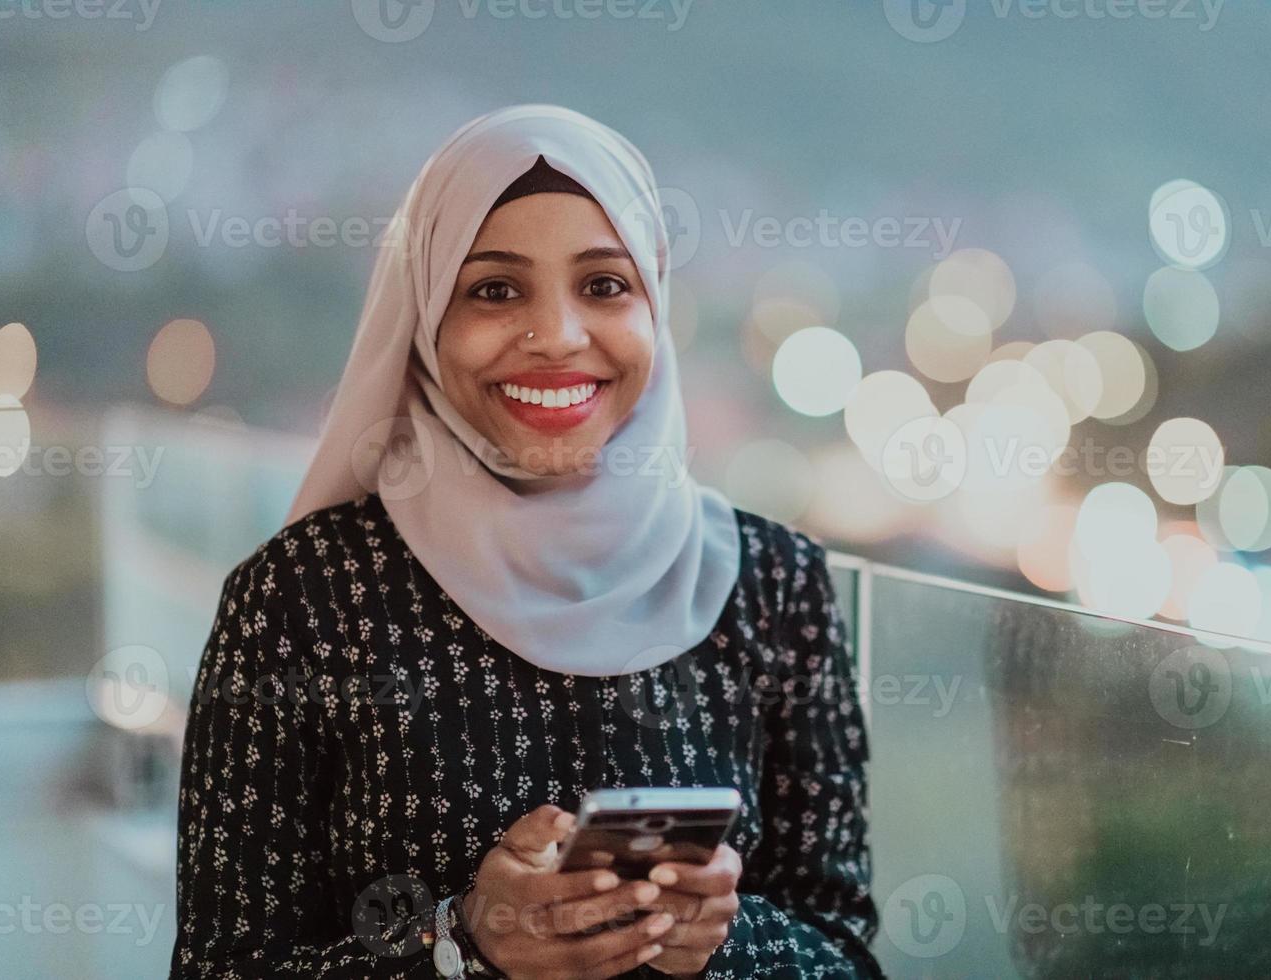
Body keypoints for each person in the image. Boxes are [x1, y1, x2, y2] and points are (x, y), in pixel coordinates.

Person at [168, 104, 882, 979]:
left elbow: (845, 950)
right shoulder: (305, 599)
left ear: (655, 302)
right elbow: (219, 967)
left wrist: (725, 942)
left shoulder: (777, 587)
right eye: (495, 289)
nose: (558, 338)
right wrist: (459, 945)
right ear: (425, 314)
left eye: (605, 286)